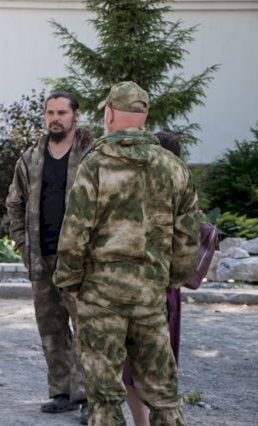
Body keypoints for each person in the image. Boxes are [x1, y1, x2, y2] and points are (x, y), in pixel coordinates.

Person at [54, 81, 199, 425]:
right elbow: (188, 237)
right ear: (144, 117)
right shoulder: (174, 167)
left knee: (105, 399)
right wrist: (169, 279)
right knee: (163, 395)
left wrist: (70, 280)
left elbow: (74, 231)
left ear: (109, 114)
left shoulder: (94, 164)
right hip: (150, 295)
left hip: (100, 297)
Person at [6, 92, 92, 422]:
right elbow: (14, 203)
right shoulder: (30, 158)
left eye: (62, 113)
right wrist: (21, 243)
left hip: (80, 260)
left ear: (75, 116)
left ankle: (87, 396)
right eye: (50, 113)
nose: (55, 118)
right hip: (41, 258)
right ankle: (62, 392)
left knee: (85, 328)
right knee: (51, 327)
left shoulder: (91, 156)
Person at [123, 131, 184, 426]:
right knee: (156, 369)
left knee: (135, 368)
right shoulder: (182, 192)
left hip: (140, 288)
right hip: (163, 289)